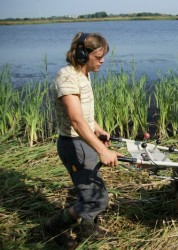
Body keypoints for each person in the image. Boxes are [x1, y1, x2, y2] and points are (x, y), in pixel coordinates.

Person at [45, 32, 121, 249]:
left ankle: (88, 227)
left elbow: (85, 115)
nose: (102, 60)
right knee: (95, 198)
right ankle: (53, 227)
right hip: (73, 144)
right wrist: (102, 151)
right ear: (81, 55)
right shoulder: (66, 78)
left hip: (83, 141)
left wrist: (98, 130)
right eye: (98, 57)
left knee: (94, 192)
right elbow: (76, 121)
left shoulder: (83, 75)